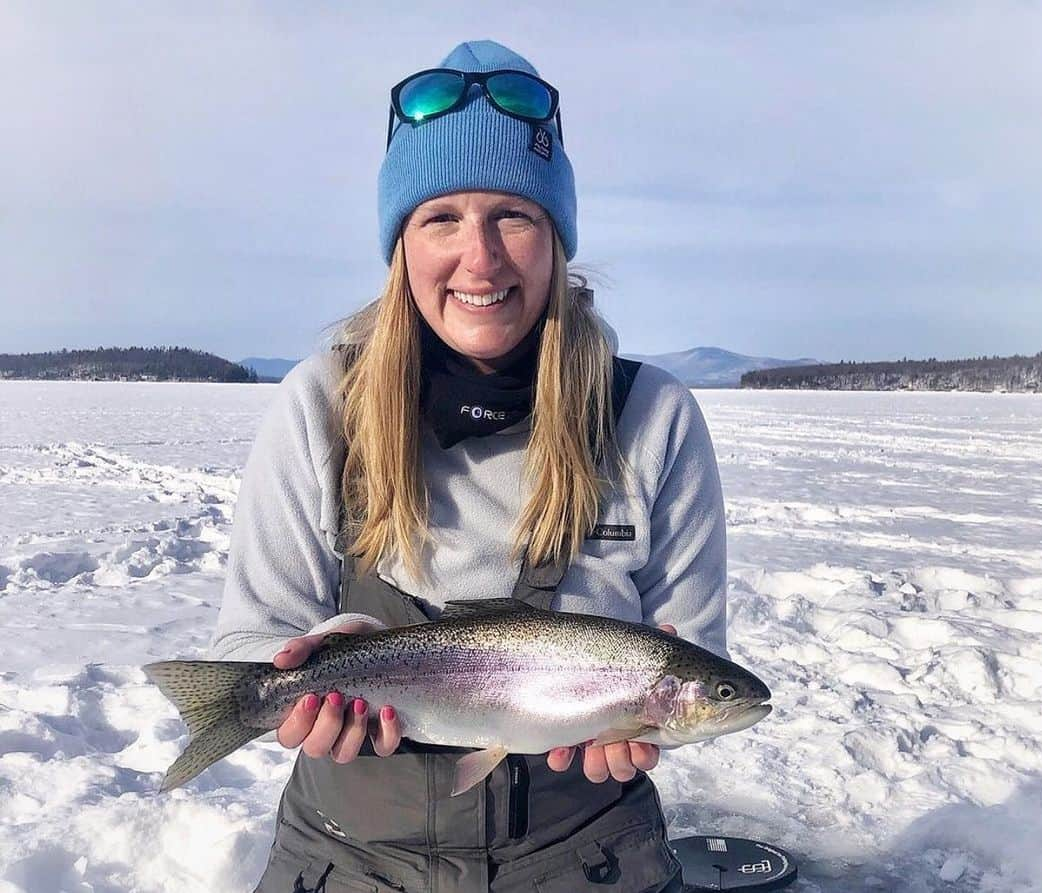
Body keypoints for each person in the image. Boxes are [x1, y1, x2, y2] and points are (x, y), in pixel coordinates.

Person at [210, 39, 727, 893]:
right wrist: (308, 678)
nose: (479, 259)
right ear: (400, 245)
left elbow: (691, 646)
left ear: (557, 241)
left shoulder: (652, 417)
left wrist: (650, 723)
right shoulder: (321, 405)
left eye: (513, 217)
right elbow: (252, 635)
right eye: (440, 218)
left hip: (587, 856)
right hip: (348, 855)